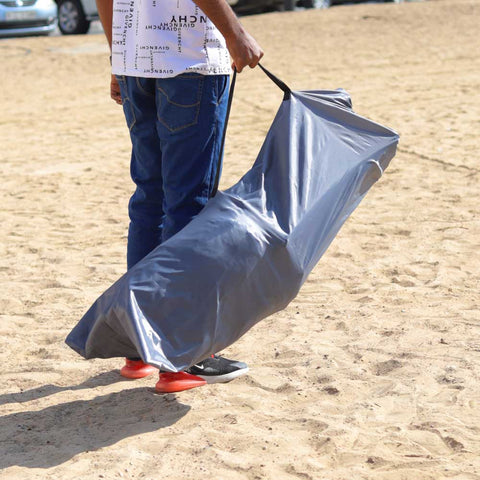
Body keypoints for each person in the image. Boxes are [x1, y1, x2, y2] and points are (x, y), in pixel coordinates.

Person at [95, 0, 264, 392]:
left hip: (137, 60)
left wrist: (118, 55)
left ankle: (140, 346)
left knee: (150, 200)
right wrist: (234, 32)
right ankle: (182, 357)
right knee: (188, 203)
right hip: (190, 59)